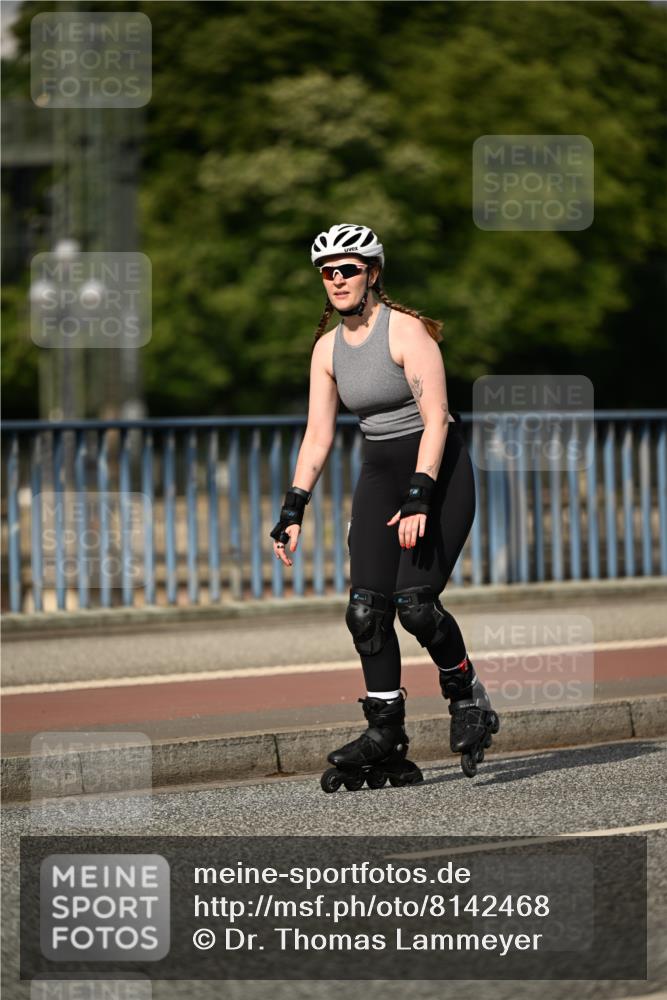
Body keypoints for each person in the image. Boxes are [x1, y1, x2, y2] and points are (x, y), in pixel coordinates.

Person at [270, 223, 499, 789]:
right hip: (379, 475)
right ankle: (387, 731)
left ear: (372, 273)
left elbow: (436, 419)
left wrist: (421, 494)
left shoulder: (408, 332)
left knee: (415, 605)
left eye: (348, 269)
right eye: (327, 272)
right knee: (366, 610)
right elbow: (318, 436)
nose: (337, 279)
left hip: (437, 473)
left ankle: (466, 695)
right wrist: (293, 508)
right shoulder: (327, 349)